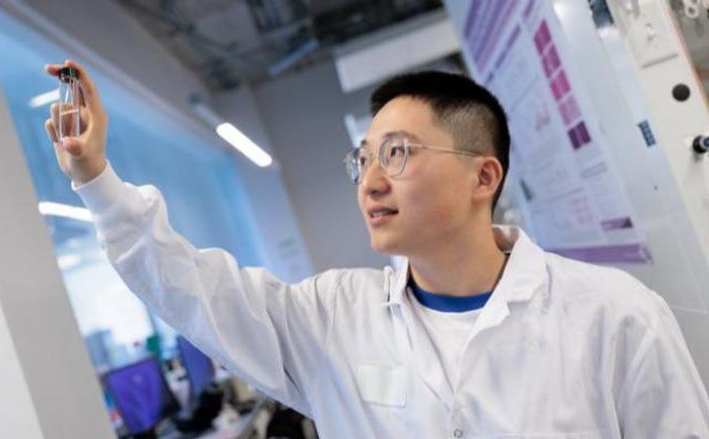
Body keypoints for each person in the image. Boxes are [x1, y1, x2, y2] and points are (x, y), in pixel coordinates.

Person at [44, 60, 709, 438]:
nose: (370, 180)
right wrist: (97, 181)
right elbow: (192, 289)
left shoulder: (614, 315)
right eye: (363, 159)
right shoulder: (331, 317)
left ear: (483, 177)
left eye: (397, 153)